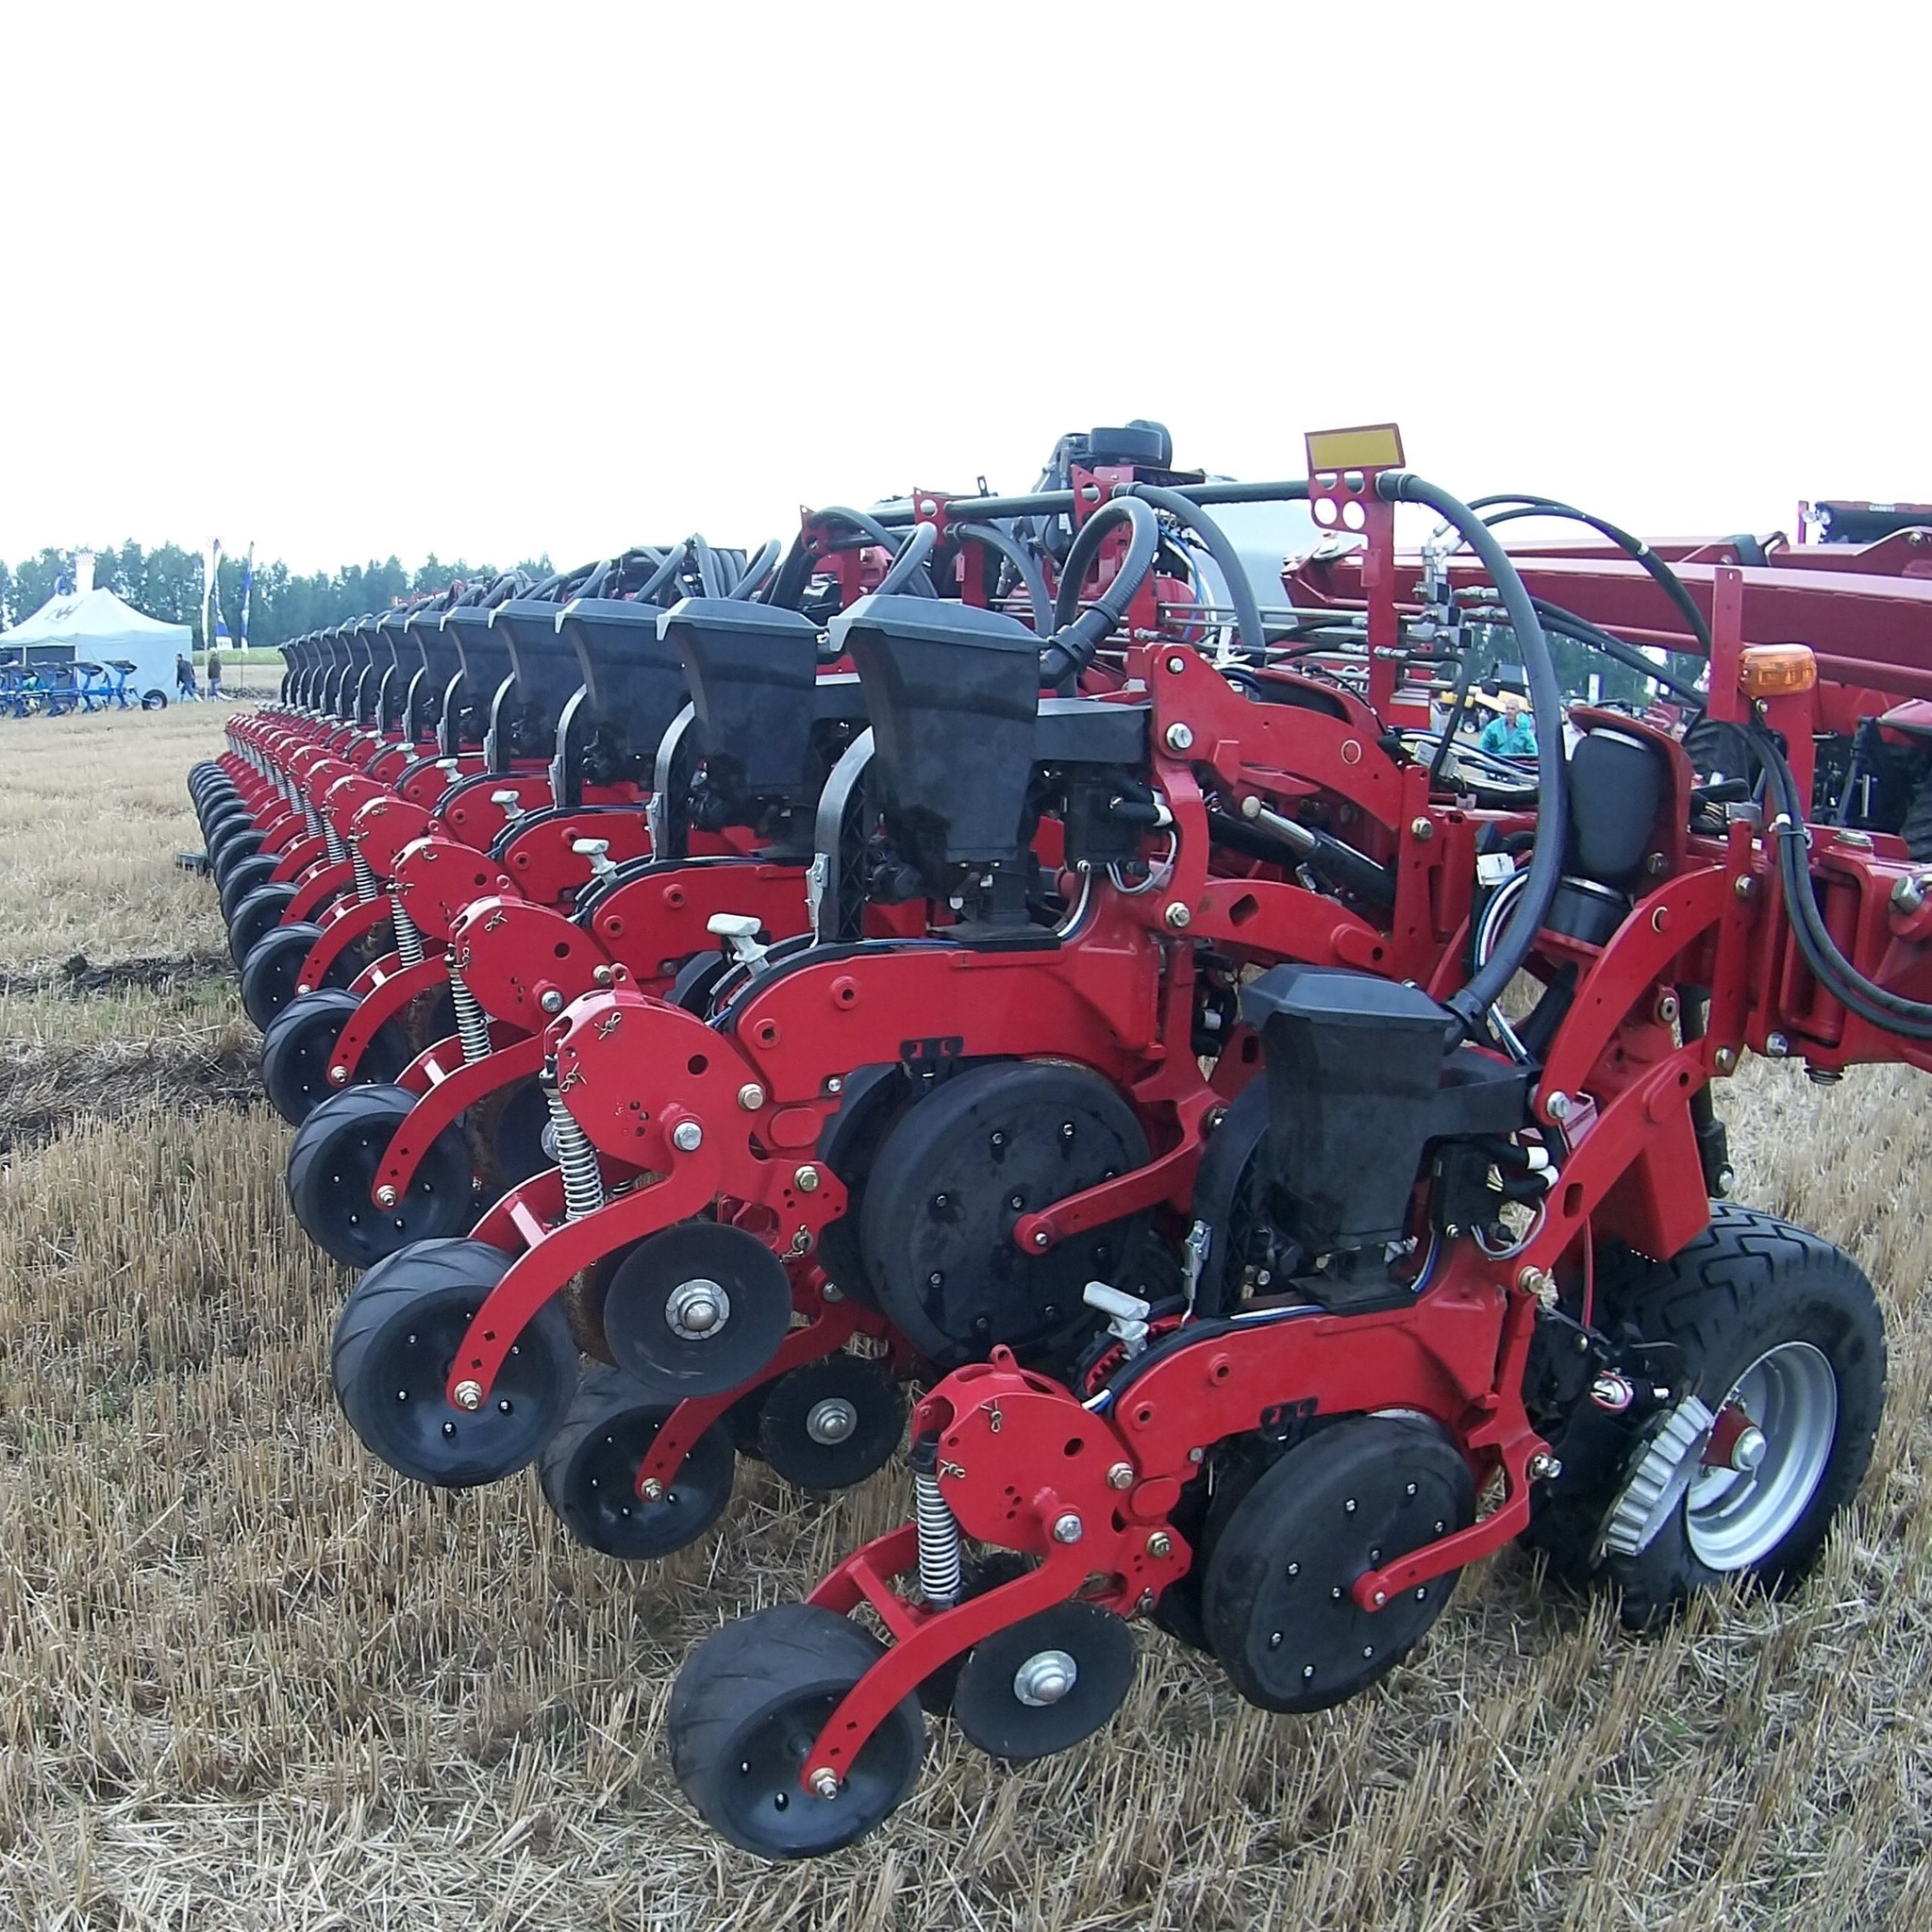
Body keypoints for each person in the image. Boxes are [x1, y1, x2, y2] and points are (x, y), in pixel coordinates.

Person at [1478, 691, 1537, 760]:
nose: (1509, 711)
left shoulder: (1525, 730)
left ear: (1518, 711)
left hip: (1516, 767)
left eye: (1512, 709)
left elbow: (1533, 753)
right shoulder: (1493, 726)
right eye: (1507, 708)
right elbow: (1483, 746)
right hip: (1495, 765)